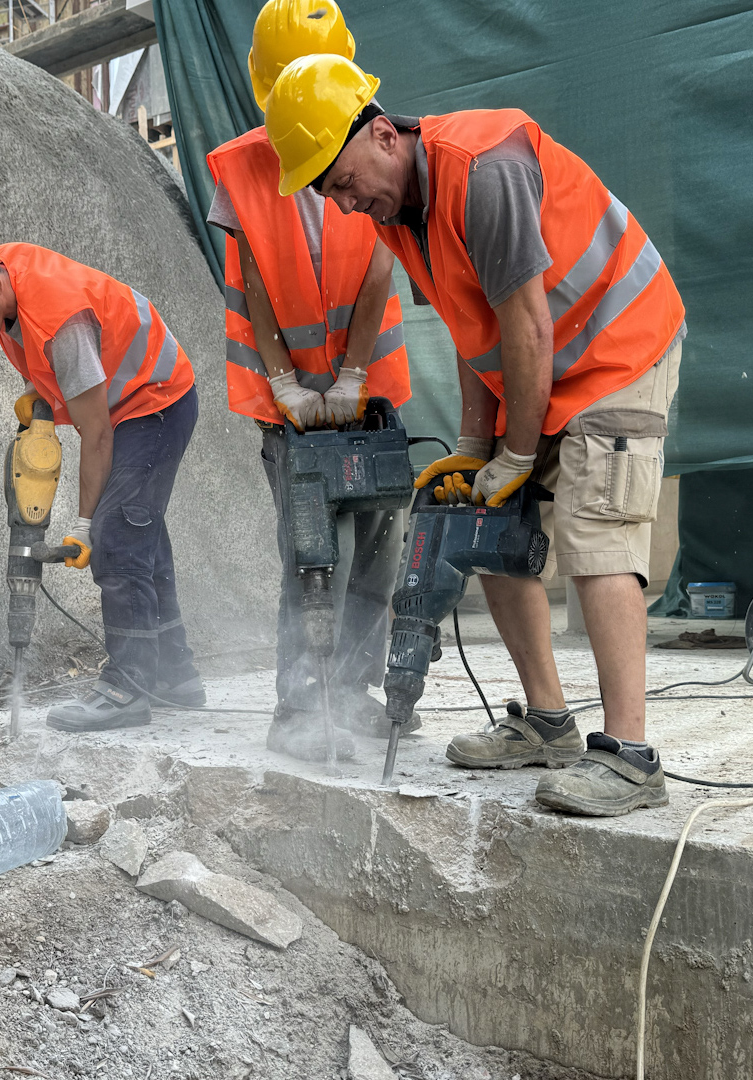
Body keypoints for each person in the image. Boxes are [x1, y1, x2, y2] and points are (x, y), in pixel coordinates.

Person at [263, 56, 686, 815]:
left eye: (340, 180)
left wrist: (517, 452)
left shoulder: (482, 171)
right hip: (542, 357)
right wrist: (474, 449)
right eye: (329, 193)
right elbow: (473, 326)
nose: (343, 202)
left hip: (617, 341)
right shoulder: (398, 215)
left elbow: (524, 320)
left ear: (383, 134)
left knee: (596, 531)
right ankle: (548, 723)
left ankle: (631, 758)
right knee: (485, 518)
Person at [205, 0, 413, 763]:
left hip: (370, 394)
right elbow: (254, 280)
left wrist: (354, 372)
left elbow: (382, 259)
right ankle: (300, 705)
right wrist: (288, 382)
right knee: (312, 553)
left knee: (378, 551)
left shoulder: (374, 155)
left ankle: (349, 697)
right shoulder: (243, 166)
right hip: (286, 402)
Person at [0, 223, 203, 731]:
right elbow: (61, 372)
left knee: (118, 534)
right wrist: (46, 398)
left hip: (155, 400)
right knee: (140, 528)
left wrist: (83, 528)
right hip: (128, 399)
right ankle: (174, 674)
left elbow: (96, 433)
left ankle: (128, 687)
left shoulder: (61, 324)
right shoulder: (0, 274)